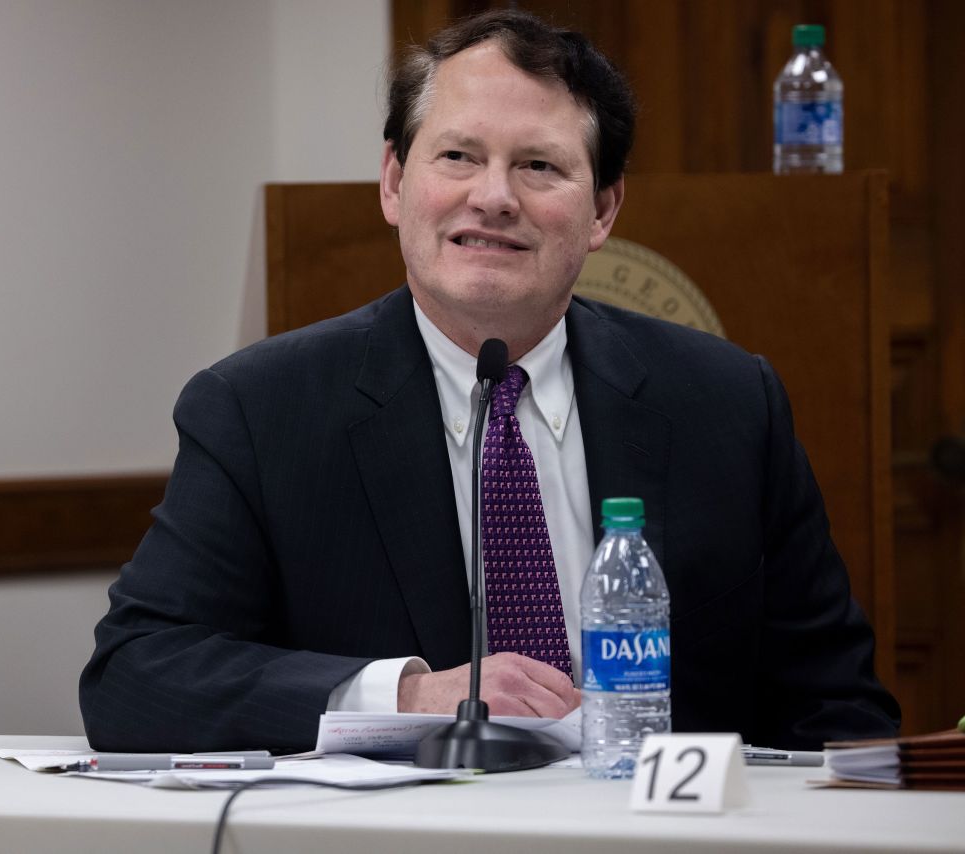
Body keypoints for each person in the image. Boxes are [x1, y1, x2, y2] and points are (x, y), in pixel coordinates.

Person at [80, 9, 899, 754]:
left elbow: (840, 715)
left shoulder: (727, 404)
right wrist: (412, 694)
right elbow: (135, 677)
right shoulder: (261, 408)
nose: (494, 196)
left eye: (539, 165)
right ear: (396, 183)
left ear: (605, 210)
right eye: (458, 156)